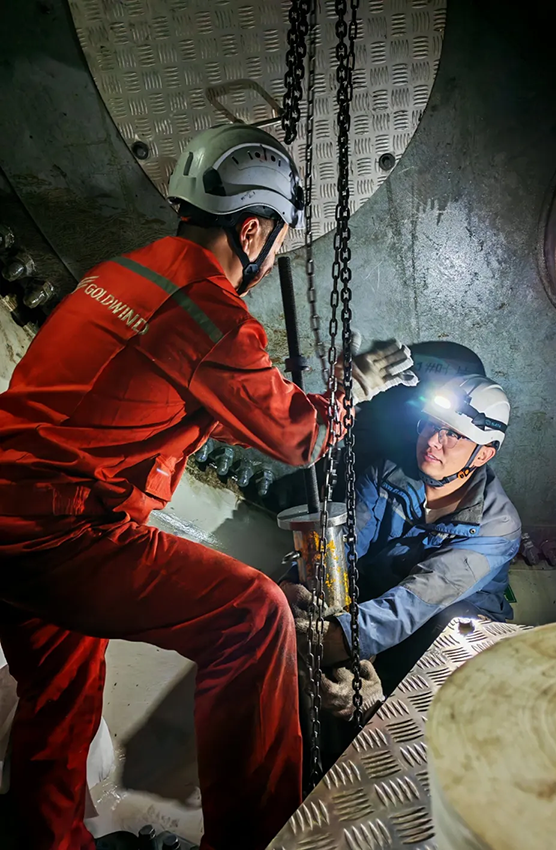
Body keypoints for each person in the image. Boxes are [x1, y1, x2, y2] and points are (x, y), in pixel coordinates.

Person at [0, 124, 415, 850]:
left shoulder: (123, 275)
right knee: (254, 616)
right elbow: (300, 438)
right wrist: (354, 388)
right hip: (64, 532)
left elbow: (184, 400)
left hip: (13, 513)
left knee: (61, 697)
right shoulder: (211, 313)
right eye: (279, 242)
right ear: (252, 231)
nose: (274, 257)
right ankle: (259, 840)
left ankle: (48, 841)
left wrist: (291, 394)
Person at [302, 373, 521, 699]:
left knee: (450, 623)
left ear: (483, 455)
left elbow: (420, 599)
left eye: (453, 434)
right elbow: (345, 547)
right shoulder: (386, 473)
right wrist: (303, 591)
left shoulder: (497, 526)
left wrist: (336, 642)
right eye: (431, 424)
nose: (432, 440)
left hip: (446, 625)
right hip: (384, 605)